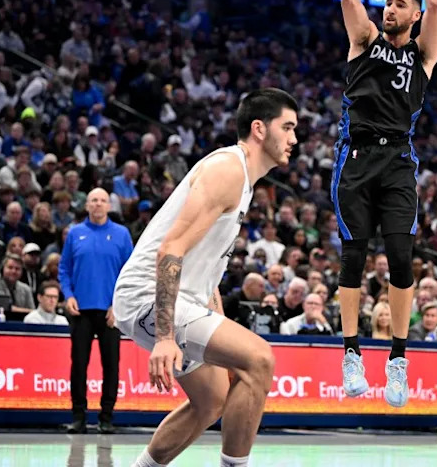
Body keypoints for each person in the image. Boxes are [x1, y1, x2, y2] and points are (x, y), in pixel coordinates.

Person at [113, 88, 298, 467]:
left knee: (212, 399)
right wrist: (165, 337)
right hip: (148, 295)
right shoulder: (228, 168)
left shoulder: (245, 181)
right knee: (260, 359)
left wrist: (220, 329)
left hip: (185, 299)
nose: (295, 139)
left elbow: (207, 269)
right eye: (289, 127)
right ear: (260, 129)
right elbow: (171, 249)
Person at [335, 0, 437, 408]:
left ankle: (397, 358)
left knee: (401, 257)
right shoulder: (365, 41)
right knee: (353, 257)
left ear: (415, 15)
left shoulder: (424, 54)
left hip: (399, 160)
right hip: (355, 158)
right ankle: (352, 351)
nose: (390, 8)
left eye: (401, 4)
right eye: (389, 3)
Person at [59, 187, 133, 434]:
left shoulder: (121, 234)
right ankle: (79, 417)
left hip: (111, 312)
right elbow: (64, 269)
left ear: (109, 206)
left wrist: (119, 305)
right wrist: (68, 295)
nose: (98, 204)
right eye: (94, 200)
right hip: (81, 311)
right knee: (78, 365)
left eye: (103, 200)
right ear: (87, 205)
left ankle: (106, 417)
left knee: (111, 365)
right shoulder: (75, 233)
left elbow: (129, 274)